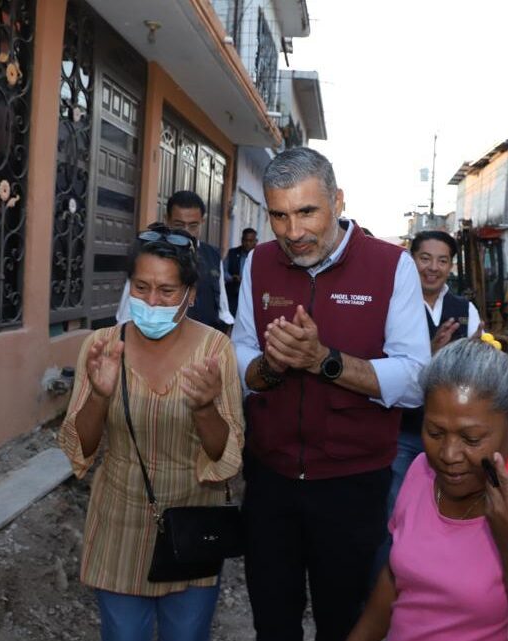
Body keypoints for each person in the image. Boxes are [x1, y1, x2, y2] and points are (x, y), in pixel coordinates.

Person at [232, 147, 431, 641]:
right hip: (270, 480)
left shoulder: (391, 267)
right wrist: (269, 367)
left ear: (338, 201)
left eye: (306, 212)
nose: (293, 232)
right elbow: (239, 355)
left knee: (343, 622)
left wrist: (324, 361)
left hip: (353, 484)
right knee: (272, 622)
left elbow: (414, 378)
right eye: (278, 215)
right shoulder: (257, 264)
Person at [348, 336, 508, 641]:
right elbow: (395, 578)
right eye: (434, 432)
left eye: (471, 439)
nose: (448, 455)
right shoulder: (421, 471)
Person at [59, 226, 245, 641]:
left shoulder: (216, 351)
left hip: (193, 526)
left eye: (167, 290)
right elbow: (82, 448)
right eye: (141, 288)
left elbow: (225, 457)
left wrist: (204, 408)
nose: (152, 301)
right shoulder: (103, 346)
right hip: (118, 524)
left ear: (191, 295)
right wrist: (100, 396)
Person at [389, 230, 483, 511]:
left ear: (450, 265)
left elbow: (476, 371)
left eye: (442, 261)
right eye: (425, 258)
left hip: (453, 435)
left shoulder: (465, 310)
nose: (433, 268)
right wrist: (428, 355)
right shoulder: (392, 306)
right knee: (396, 509)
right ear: (411, 260)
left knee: (445, 509)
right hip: (403, 431)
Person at [116, 191, 234, 332]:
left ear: (202, 221)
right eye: (179, 225)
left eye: (193, 226)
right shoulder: (149, 255)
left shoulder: (213, 256)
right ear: (167, 220)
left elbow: (223, 308)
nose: (186, 232)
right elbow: (126, 316)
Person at [223, 227, 258, 317]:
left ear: (256, 241)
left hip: (251, 297)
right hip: (233, 295)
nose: (247, 243)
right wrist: (232, 278)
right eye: (245, 240)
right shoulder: (232, 253)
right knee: (230, 321)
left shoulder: (260, 256)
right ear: (242, 240)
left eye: (251, 241)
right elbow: (223, 271)